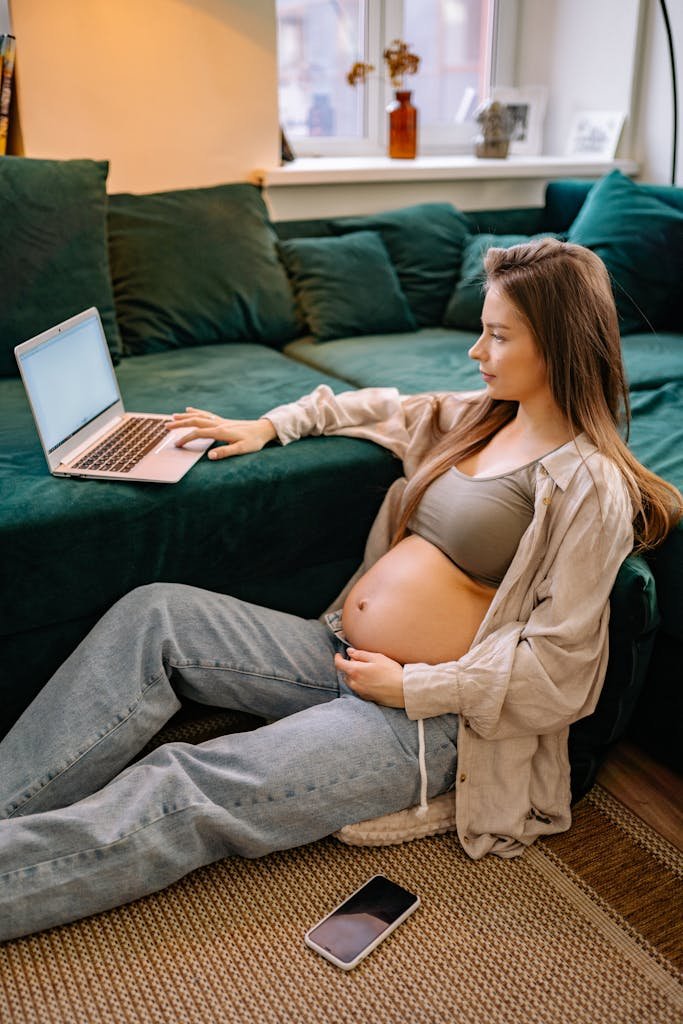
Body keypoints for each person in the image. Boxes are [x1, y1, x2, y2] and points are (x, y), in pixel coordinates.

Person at [0, 239, 680, 943]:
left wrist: (415, 688)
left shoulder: (588, 487)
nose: (476, 350)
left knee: (187, 781)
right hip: (336, 651)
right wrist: (268, 425)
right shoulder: (480, 415)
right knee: (156, 614)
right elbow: (374, 407)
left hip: (432, 720)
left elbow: (559, 676)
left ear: (561, 345)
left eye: (498, 335)